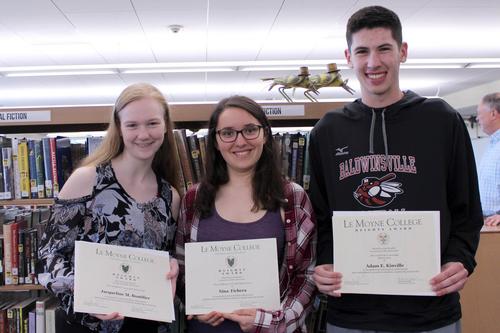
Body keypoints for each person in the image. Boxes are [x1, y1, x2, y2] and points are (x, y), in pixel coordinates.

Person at [309, 6, 483, 333]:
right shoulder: (327, 131)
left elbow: (467, 209)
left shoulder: (441, 119)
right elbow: (320, 218)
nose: (373, 62)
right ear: (348, 56)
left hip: (430, 311)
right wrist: (324, 263)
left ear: (402, 52)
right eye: (362, 51)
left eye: (384, 49)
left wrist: (462, 259)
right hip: (351, 313)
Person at [38, 83, 181, 333]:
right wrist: (84, 293)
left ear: (166, 126)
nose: (143, 134)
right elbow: (49, 256)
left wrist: (172, 267)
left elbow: (162, 258)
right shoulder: (88, 180)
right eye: (132, 125)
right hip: (88, 325)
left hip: (146, 327)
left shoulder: (170, 197)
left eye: (152, 123)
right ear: (119, 128)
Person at [175, 95, 316, 332]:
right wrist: (194, 303)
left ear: (265, 134)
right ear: (216, 141)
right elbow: (180, 268)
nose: (240, 141)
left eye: (250, 130)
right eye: (228, 133)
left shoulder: (293, 198)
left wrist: (270, 322)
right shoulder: (194, 199)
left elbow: (307, 276)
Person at [476, 92, 500, 226]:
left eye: (480, 113)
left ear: (493, 114)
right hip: (487, 221)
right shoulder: (493, 144)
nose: (478, 119)